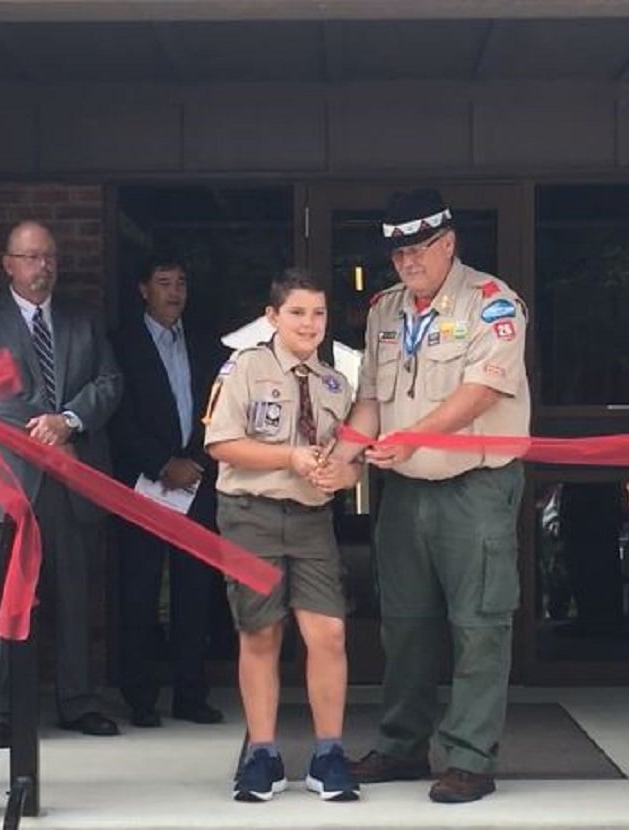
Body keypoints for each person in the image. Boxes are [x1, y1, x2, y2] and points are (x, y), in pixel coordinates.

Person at [336, 188, 530, 803]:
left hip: (475, 485)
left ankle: (471, 757)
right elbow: (369, 397)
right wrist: (341, 457)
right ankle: (402, 745)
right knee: (406, 626)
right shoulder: (385, 310)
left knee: (478, 624)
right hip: (406, 490)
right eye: (399, 255)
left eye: (420, 250)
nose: (409, 263)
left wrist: (412, 436)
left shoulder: (492, 303)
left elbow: (482, 391)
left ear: (448, 243)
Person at [204, 267, 360, 803]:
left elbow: (349, 461)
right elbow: (221, 443)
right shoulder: (245, 368)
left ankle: (329, 753)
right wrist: (289, 457)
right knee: (261, 632)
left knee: (328, 634)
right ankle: (263, 755)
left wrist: (344, 474)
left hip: (313, 519)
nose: (309, 323)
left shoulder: (335, 382)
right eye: (297, 312)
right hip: (252, 514)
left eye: (318, 313)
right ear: (272, 317)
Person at [0, 221, 124, 748]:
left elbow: (109, 381)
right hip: (4, 485)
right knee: (0, 598)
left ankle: (78, 701)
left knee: (74, 594)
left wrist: (70, 421)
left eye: (49, 257)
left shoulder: (83, 318)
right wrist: (45, 428)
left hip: (71, 480)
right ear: (7, 263)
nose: (42, 267)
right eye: (30, 258)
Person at [109, 259, 224, 728]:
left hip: (194, 482)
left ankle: (191, 694)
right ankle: (140, 695)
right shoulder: (121, 344)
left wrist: (195, 461)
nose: (174, 293)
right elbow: (119, 417)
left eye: (181, 283)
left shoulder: (203, 344)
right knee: (139, 589)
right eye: (163, 283)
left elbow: (218, 408)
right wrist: (161, 464)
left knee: (194, 590)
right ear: (143, 289)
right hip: (143, 483)